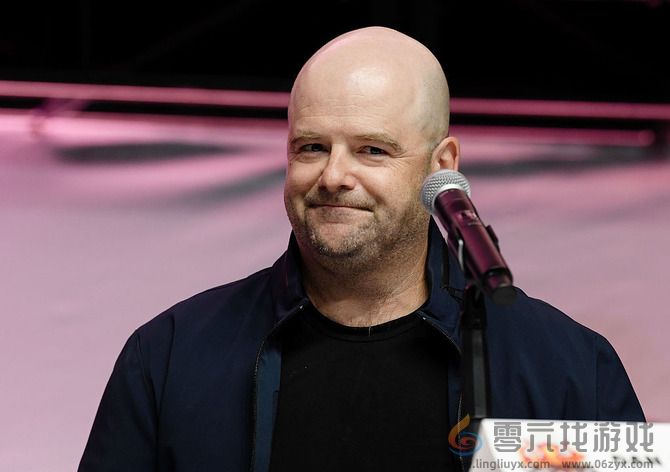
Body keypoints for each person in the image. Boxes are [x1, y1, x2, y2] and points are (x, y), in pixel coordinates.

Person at [78, 26, 644, 472]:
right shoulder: (170, 356)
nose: (333, 176)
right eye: (311, 147)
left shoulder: (572, 367)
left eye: (373, 150)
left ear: (442, 166)